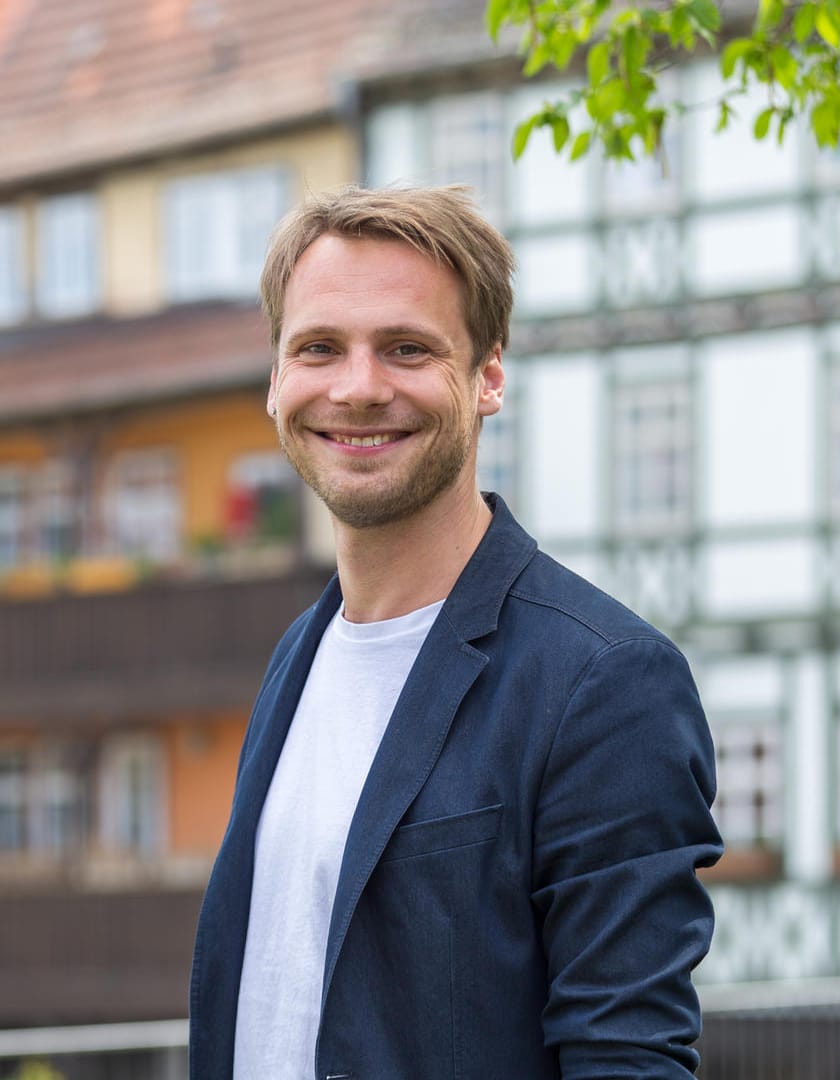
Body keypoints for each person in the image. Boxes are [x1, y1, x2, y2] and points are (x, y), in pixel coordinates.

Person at [187, 185, 722, 1079]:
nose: (358, 388)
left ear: (488, 378)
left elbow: (627, 1059)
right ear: (277, 380)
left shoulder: (605, 683)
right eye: (319, 348)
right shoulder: (298, 658)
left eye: (407, 348)